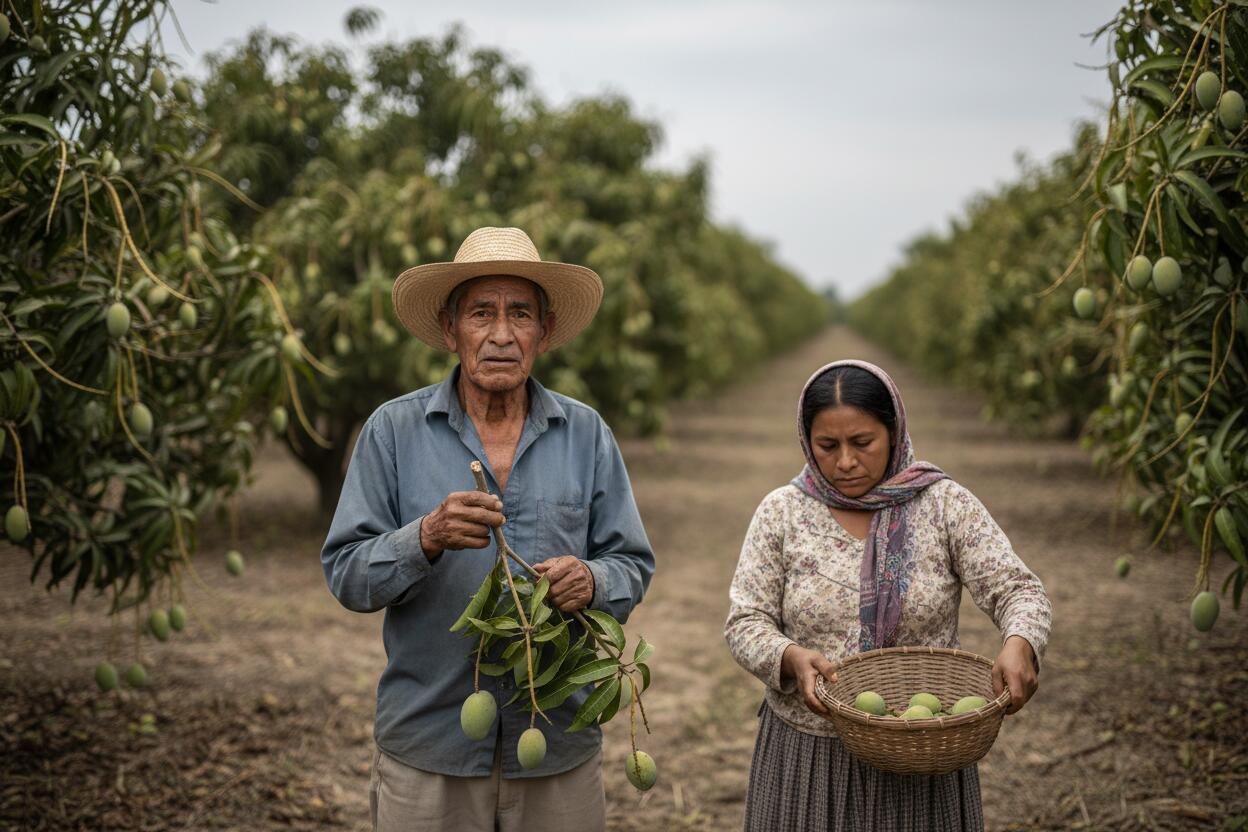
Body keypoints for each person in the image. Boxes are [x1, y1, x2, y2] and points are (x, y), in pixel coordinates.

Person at [321, 226, 655, 832]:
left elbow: (631, 564)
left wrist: (592, 580)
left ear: (544, 332)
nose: (501, 334)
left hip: (555, 745)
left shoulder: (588, 435)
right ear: (451, 329)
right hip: (430, 748)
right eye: (481, 313)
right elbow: (346, 574)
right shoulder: (392, 433)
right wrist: (424, 537)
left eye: (519, 314)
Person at [724, 359, 1052, 832]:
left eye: (862, 443)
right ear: (806, 441)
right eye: (827, 446)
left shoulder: (943, 505)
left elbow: (1018, 589)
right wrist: (790, 656)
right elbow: (745, 622)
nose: (845, 462)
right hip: (810, 756)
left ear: (894, 433)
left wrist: (1021, 642)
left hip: (922, 753)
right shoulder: (783, 513)